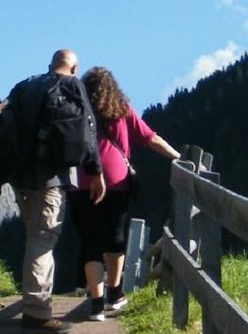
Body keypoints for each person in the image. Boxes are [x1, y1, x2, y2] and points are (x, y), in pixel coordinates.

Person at [4, 48, 102, 334]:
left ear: (50, 65)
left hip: (20, 177)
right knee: (43, 239)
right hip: (50, 177)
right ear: (74, 68)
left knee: (35, 236)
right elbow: (88, 129)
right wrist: (94, 173)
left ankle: (33, 304)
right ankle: (36, 313)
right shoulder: (73, 86)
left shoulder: (25, 86)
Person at [74, 66, 180, 318]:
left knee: (91, 241)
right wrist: (177, 156)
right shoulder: (122, 110)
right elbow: (150, 137)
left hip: (83, 181)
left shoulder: (78, 112)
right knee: (115, 237)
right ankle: (115, 293)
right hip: (117, 181)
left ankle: (96, 303)